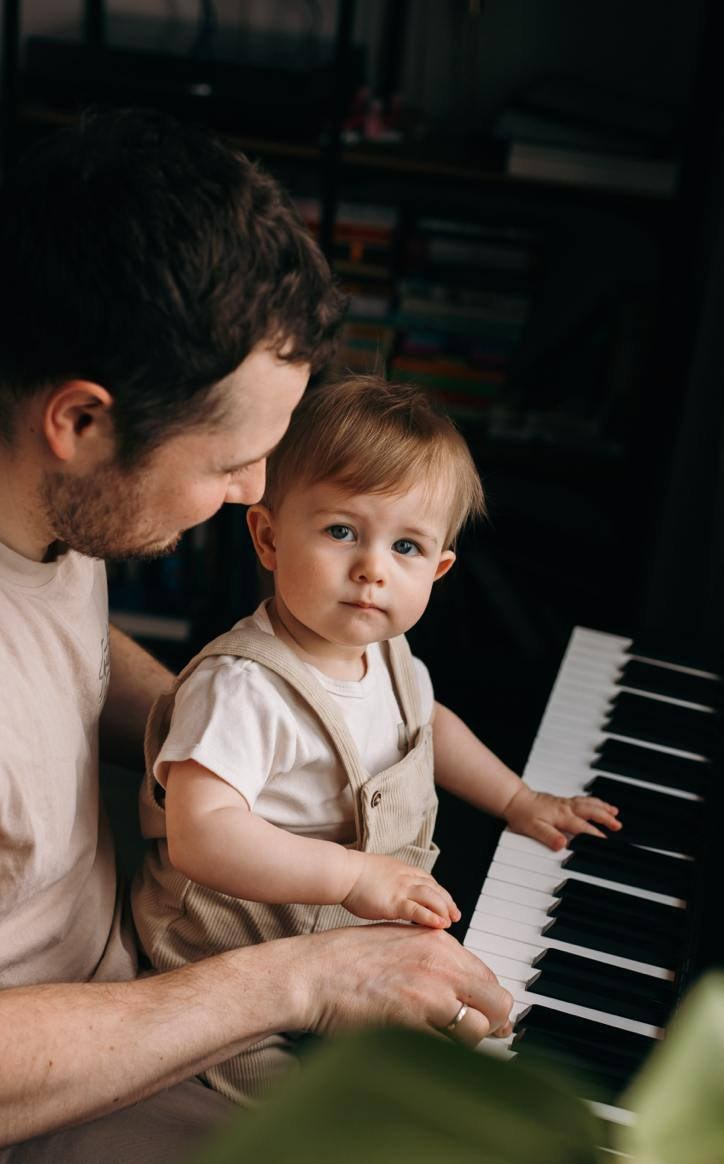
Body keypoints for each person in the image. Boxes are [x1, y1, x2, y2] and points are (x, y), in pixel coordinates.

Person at [0, 109, 517, 1164]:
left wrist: (254, 715)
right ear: (80, 421)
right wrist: (307, 973)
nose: (251, 492)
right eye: (233, 463)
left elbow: (56, 663)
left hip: (132, 953)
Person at [133, 375, 622, 1104]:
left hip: (336, 931)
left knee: (423, 1057)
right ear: (267, 536)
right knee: (281, 1105)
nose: (372, 568)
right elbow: (201, 837)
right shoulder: (244, 687)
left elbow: (429, 730)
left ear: (439, 569)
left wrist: (517, 800)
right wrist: (354, 878)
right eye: (341, 532)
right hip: (224, 955)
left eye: (406, 546)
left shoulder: (388, 657)